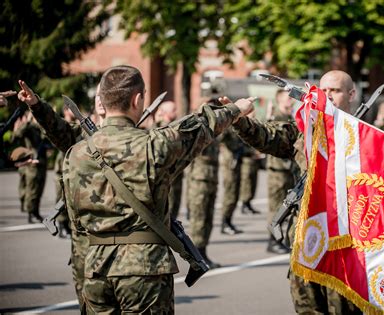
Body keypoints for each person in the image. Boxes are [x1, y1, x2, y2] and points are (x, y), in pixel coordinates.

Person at [61, 65, 254, 313]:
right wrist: (237, 109)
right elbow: (200, 125)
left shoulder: (75, 154)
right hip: (144, 270)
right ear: (138, 99)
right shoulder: (153, 145)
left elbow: (75, 222)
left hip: (95, 269)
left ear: (102, 102)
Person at [228, 70, 361, 314]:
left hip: (347, 243)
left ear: (351, 94)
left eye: (336, 91)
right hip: (306, 238)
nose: (328, 96)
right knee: (307, 308)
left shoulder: (366, 138)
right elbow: (268, 136)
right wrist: (240, 121)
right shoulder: (306, 131)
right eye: (324, 91)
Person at [16, 80, 103, 310]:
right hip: (86, 247)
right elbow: (56, 127)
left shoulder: (138, 139)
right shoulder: (81, 137)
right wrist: (36, 104)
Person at [186, 98, 223, 269]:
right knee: (198, 220)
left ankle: (203, 253)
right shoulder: (199, 126)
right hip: (199, 180)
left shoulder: (214, 129)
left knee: (208, 219)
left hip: (211, 179)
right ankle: (196, 258)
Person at [266, 89, 299, 254]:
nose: (291, 100)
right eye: (288, 98)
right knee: (276, 207)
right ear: (279, 99)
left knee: (286, 206)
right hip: (277, 170)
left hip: (288, 169)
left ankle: (278, 239)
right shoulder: (277, 117)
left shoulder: (289, 117)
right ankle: (272, 241)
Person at [12, 110, 47, 223]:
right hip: (32, 164)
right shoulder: (29, 127)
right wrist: (27, 121)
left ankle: (36, 211)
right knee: (32, 190)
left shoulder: (40, 127)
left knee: (39, 190)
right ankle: (31, 213)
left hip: (42, 163)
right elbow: (17, 135)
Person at [154, 101, 184, 220]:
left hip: (177, 177)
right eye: (174, 110)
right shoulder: (159, 127)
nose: (176, 112)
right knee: (167, 211)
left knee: (175, 210)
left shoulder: (175, 126)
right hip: (165, 178)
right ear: (165, 112)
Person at [54, 105, 76, 238]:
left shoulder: (75, 125)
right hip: (62, 167)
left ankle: (66, 226)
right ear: (66, 111)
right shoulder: (63, 126)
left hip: (70, 167)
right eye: (71, 109)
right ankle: (61, 226)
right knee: (61, 198)